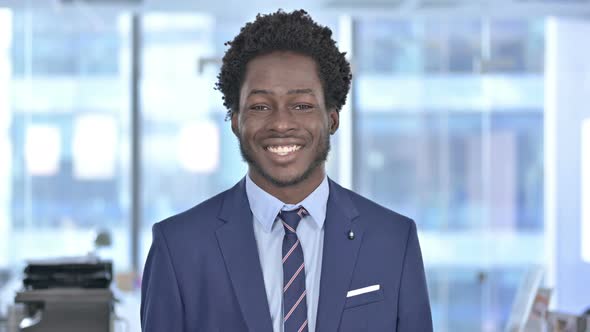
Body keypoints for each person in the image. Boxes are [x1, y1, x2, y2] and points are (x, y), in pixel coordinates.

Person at [140, 9, 432, 332]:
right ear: (236, 121)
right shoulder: (179, 248)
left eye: (302, 106)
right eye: (261, 106)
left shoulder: (393, 241)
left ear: (332, 118)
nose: (281, 123)